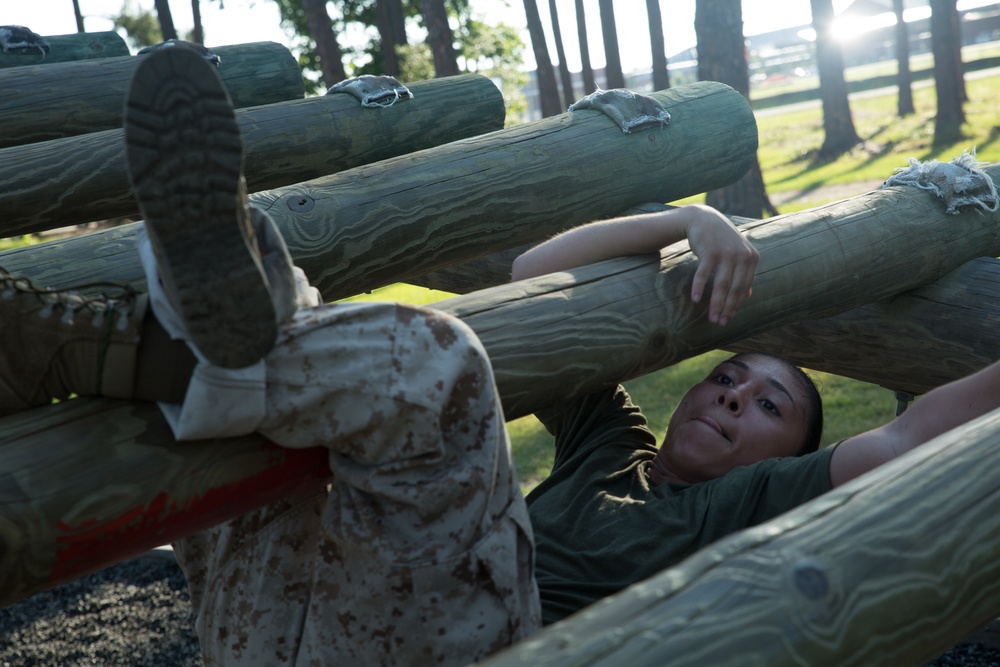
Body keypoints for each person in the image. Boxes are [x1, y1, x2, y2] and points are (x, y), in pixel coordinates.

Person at [3, 44, 1000, 667]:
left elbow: (914, 428)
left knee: (438, 360)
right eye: (728, 375)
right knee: (283, 429)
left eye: (769, 406)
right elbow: (538, 266)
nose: (731, 396)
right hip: (291, 629)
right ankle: (185, 336)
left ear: (789, 456)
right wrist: (686, 216)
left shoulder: (747, 506)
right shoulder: (611, 443)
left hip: (483, 645)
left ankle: (122, 339)